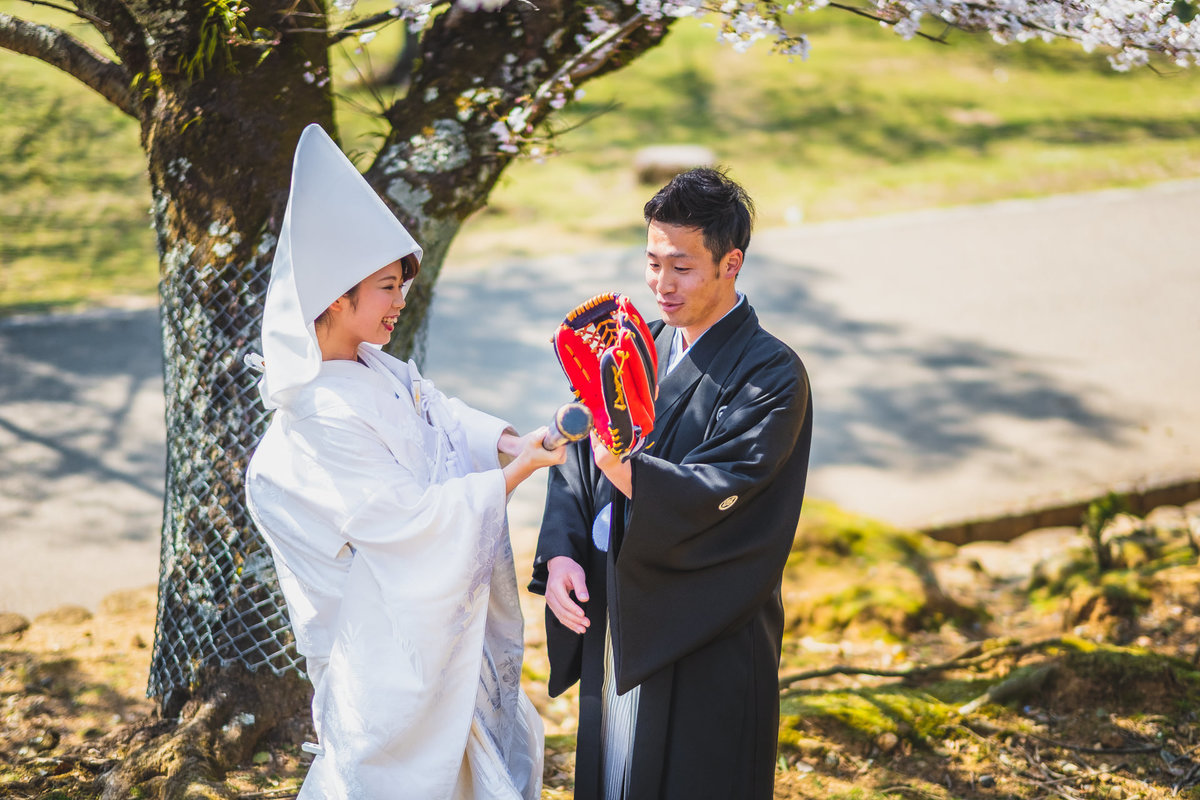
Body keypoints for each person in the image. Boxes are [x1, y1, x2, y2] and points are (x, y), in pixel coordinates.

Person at [245, 124, 564, 799]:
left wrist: (508, 444)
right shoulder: (317, 414)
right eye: (387, 287)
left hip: (425, 619)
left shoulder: (377, 368)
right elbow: (400, 519)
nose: (399, 301)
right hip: (381, 636)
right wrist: (515, 474)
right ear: (337, 295)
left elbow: (441, 419)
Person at [530, 168, 813, 800]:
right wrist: (563, 556)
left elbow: (728, 489)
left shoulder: (771, 374)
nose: (661, 284)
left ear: (730, 262)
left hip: (706, 626)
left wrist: (623, 468)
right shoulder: (634, 346)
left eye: (681, 267)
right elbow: (576, 463)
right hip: (613, 606)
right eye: (652, 263)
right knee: (613, 771)